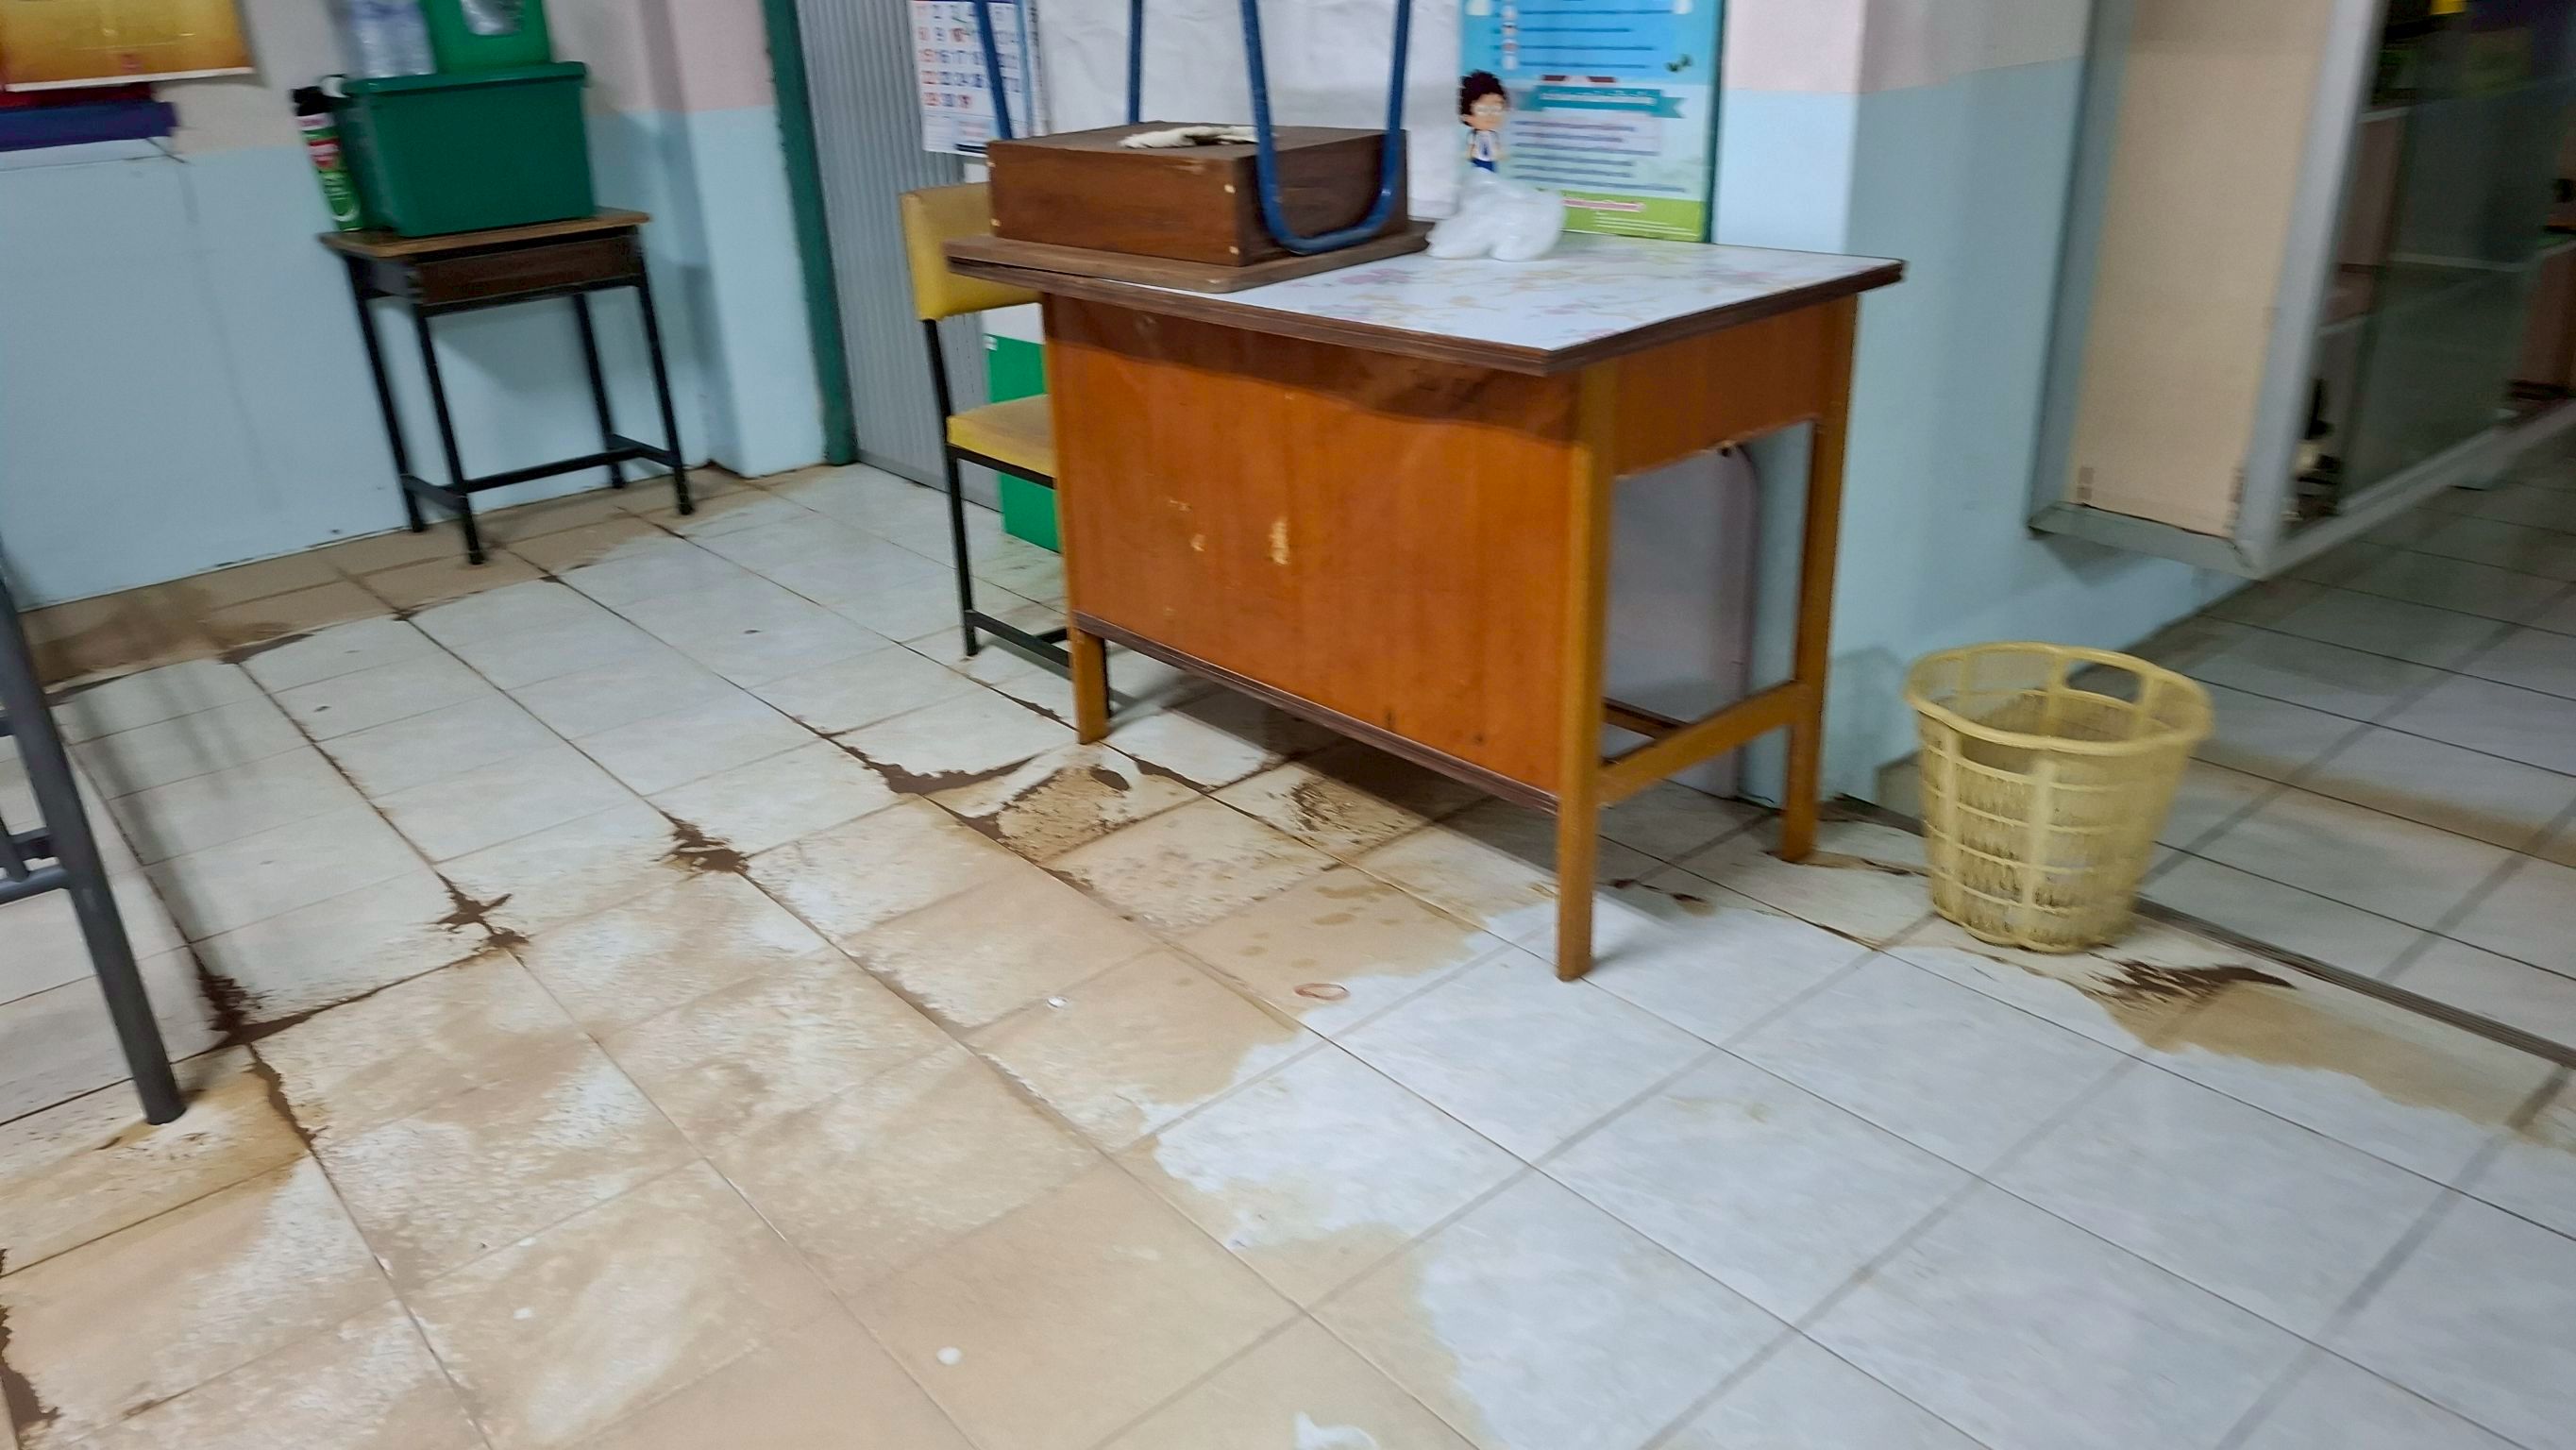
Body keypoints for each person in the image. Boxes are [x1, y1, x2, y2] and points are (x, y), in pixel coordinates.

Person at [1459, 70, 1507, 172]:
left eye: (1496, 109)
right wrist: (1469, 155)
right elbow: (1470, 148)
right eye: (1482, 110)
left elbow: (1497, 147)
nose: (1490, 116)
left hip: (1491, 161)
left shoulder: (1494, 135)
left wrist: (1500, 154)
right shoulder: (1473, 136)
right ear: (1467, 116)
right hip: (1478, 160)